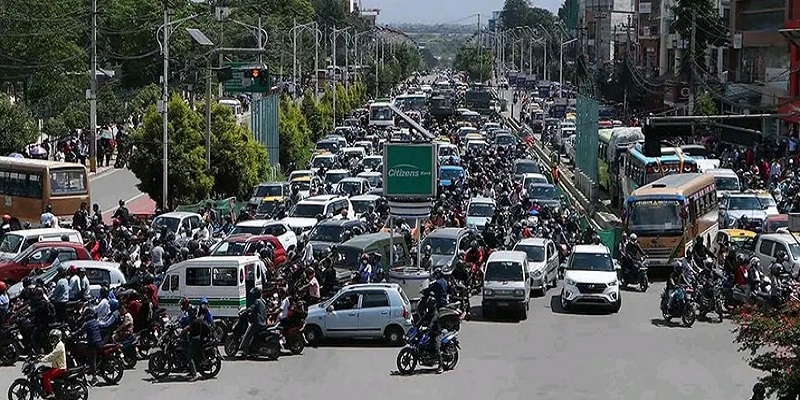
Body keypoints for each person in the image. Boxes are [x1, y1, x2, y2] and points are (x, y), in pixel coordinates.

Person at [421, 268, 448, 374]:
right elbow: (424, 318)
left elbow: (432, 322)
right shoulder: (445, 281)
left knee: (437, 346)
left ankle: (440, 365)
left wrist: (428, 328)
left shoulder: (435, 313)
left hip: (437, 332)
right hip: (444, 302)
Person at [236, 290, 269, 359]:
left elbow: (251, 308)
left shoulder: (257, 301)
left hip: (258, 323)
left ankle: (244, 352)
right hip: (262, 323)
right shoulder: (262, 301)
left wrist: (245, 312)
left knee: (248, 336)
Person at [40, 329, 67, 399]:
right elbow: (51, 355)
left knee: (46, 376)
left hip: (60, 368)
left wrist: (42, 360)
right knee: (43, 371)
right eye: (52, 338)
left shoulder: (60, 346)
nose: (53, 340)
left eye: (54, 338)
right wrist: (43, 356)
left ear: (59, 338)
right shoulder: (56, 345)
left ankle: (50, 393)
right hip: (56, 366)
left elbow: (52, 355)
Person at [79, 308, 102, 386]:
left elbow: (80, 331)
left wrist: (72, 334)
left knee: (92, 360)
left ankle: (94, 377)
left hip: (93, 344)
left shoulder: (87, 324)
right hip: (99, 342)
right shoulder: (96, 321)